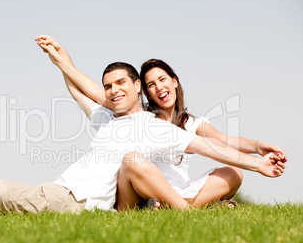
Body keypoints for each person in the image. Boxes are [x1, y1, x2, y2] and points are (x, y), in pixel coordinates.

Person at [34, 35, 287, 210]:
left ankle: (178, 207)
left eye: (163, 80)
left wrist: (257, 149)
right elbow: (90, 90)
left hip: (179, 190)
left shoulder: (190, 122)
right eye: (151, 84)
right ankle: (175, 208)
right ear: (143, 91)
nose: (159, 88)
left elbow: (222, 142)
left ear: (174, 81)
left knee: (233, 173)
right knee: (134, 161)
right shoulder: (139, 117)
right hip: (141, 188)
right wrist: (63, 60)